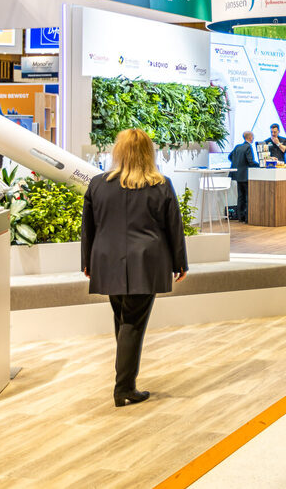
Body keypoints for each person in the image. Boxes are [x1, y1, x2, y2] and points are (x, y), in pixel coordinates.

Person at [81, 128, 188, 408]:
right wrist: (180, 263)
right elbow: (174, 228)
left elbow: (88, 229)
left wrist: (87, 262)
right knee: (131, 323)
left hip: (107, 260)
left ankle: (126, 382)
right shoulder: (161, 185)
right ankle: (124, 387)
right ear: (147, 153)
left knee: (123, 319)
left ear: (118, 151)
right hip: (146, 262)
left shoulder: (98, 184)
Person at [229, 132, 257, 222]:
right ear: (250, 137)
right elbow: (250, 161)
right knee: (247, 197)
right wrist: (260, 165)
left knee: (240, 196)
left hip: (237, 175)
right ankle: (247, 218)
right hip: (245, 175)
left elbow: (230, 157)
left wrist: (237, 163)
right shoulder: (248, 147)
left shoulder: (237, 147)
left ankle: (241, 217)